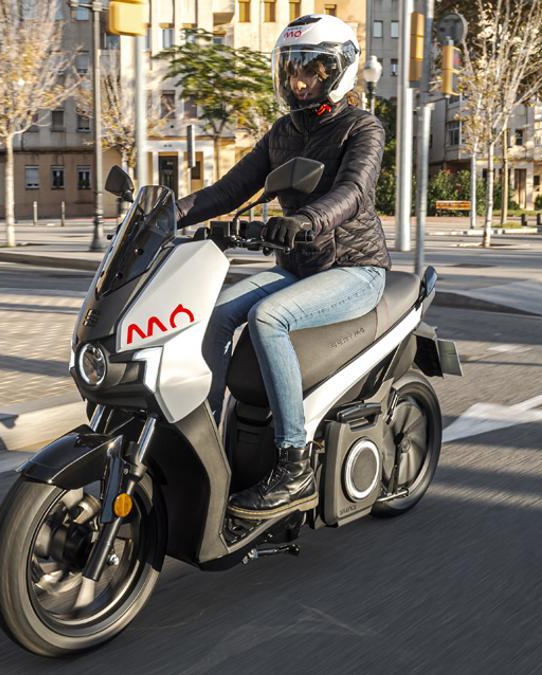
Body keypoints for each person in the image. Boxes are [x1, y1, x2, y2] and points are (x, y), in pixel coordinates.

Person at [174, 14, 389, 520]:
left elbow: (353, 193)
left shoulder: (363, 128)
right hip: (300, 265)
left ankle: (293, 465)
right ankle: (198, 435)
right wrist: (166, 214)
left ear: (336, 72)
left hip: (355, 268)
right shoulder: (283, 132)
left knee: (268, 318)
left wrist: (308, 218)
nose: (297, 82)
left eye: (309, 72)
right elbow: (231, 189)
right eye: (291, 70)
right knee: (216, 309)